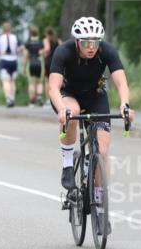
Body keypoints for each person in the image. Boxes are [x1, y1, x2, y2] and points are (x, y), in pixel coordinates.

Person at [48, 17, 134, 232]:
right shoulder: (64, 51)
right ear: (77, 41)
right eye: (86, 42)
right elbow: (53, 87)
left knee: (102, 152)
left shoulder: (107, 51)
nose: (91, 47)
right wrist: (62, 109)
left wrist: (125, 105)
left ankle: (100, 206)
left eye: (95, 42)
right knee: (73, 112)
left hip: (95, 96)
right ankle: (68, 164)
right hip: (68, 95)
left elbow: (121, 82)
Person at [0, 21, 22, 108]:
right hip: (14, 60)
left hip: (4, 60)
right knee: (12, 81)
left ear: (3, 29)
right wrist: (17, 50)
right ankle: (13, 97)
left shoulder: (0, 38)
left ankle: (8, 98)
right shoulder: (15, 37)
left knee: (5, 81)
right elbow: (20, 47)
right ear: (10, 29)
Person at [23, 25, 45, 107]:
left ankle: (32, 102)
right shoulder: (41, 42)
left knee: (31, 83)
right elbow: (43, 53)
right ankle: (39, 96)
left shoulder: (27, 43)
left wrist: (24, 67)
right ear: (37, 33)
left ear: (30, 33)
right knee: (40, 82)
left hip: (31, 63)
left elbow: (25, 56)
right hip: (39, 63)